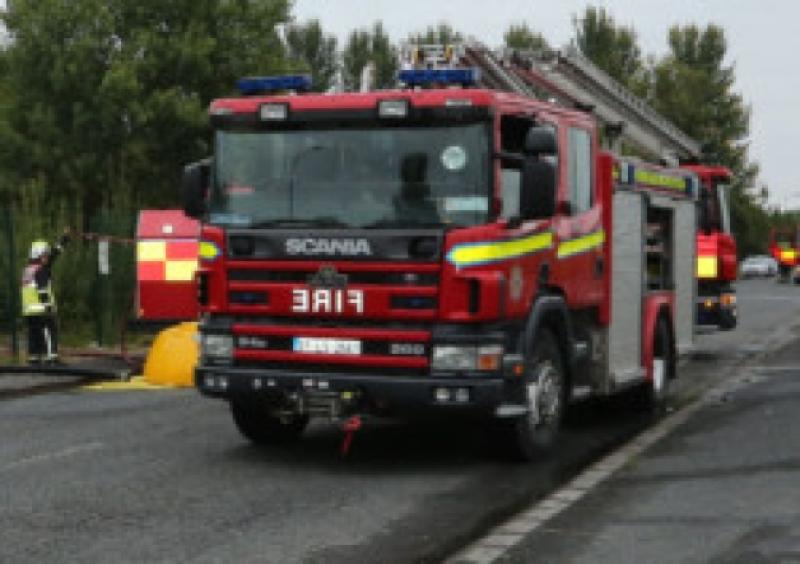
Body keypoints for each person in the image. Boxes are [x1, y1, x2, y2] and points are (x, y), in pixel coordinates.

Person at [21, 229, 71, 364]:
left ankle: (33, 358)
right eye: (45, 255)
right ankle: (51, 357)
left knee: (34, 334)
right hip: (41, 309)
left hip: (29, 311)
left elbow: (54, 254)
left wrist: (64, 239)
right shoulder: (41, 270)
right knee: (49, 330)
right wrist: (48, 307)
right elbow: (42, 289)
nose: (47, 257)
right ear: (38, 255)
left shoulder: (28, 269)